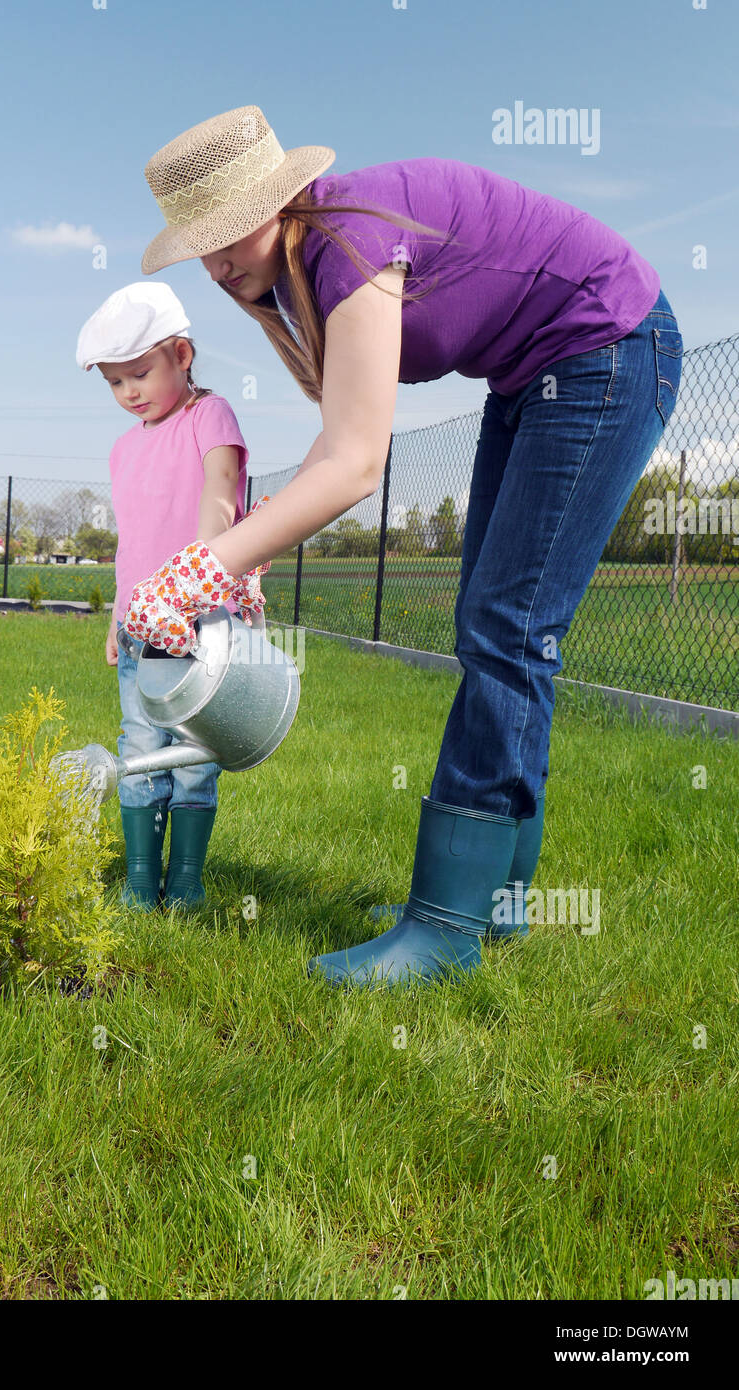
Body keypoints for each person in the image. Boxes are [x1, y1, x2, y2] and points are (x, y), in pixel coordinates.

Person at [121, 105, 683, 988]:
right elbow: (332, 444)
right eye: (201, 241)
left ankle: (445, 929)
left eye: (231, 229)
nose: (220, 261)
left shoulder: (345, 244)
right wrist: (249, 555)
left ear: (280, 196)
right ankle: (493, 903)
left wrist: (199, 567)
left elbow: (354, 466)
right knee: (499, 628)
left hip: (606, 346)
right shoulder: (304, 269)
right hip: (538, 372)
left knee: (508, 629)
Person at [73, 281, 265, 911]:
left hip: (199, 623)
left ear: (181, 355)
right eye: (113, 383)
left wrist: (196, 580)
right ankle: (138, 881)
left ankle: (184, 879)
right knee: (140, 747)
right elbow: (133, 544)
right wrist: (117, 615)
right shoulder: (123, 450)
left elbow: (221, 489)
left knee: (192, 756)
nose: (129, 393)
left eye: (140, 374)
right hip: (140, 627)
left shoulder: (207, 417)